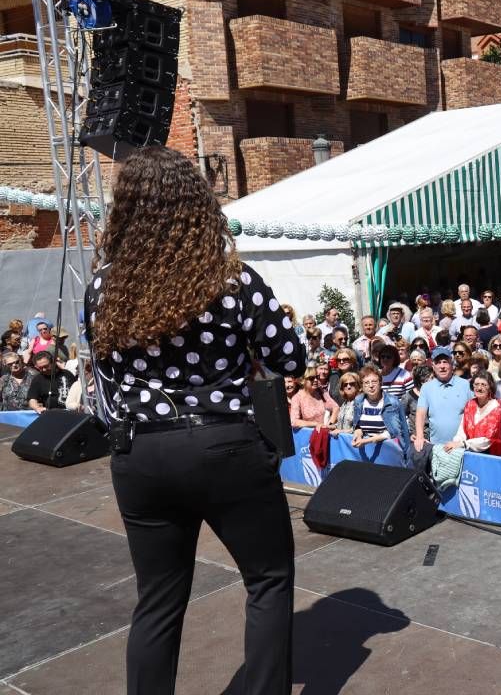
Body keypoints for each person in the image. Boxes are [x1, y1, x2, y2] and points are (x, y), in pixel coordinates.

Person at [82, 147, 302, 694]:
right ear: (197, 207)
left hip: (141, 454)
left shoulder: (104, 287)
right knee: (268, 580)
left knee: (158, 600)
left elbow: (106, 365)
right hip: (224, 443)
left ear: (127, 209)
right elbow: (290, 358)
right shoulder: (232, 280)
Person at [412, 347, 471, 454]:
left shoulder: (465, 385)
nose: (442, 366)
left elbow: (474, 412)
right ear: (433, 366)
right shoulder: (426, 387)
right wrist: (419, 437)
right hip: (437, 447)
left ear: (452, 365)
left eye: (445, 362)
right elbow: (420, 414)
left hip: (461, 446)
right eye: (438, 363)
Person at [440, 371, 501, 457]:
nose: (479, 388)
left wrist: (463, 444)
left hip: (490, 454)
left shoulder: (496, 406)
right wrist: (455, 443)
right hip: (470, 452)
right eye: (476, 384)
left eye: (483, 385)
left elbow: (488, 439)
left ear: (490, 387)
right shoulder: (470, 404)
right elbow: (462, 429)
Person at [351, 365, 409, 450]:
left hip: (388, 450)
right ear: (362, 386)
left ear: (381, 383)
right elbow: (357, 426)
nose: (371, 385)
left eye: (374, 381)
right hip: (366, 449)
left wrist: (369, 440)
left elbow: (396, 432)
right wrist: (358, 434)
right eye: (366, 382)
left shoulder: (392, 402)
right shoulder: (359, 401)